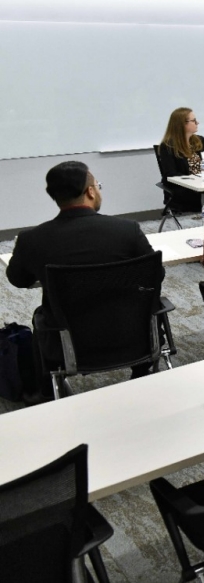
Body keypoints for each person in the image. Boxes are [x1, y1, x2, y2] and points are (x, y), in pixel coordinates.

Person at [6, 161, 160, 402]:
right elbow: (155, 275)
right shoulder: (127, 230)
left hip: (68, 346)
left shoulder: (31, 240)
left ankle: (46, 391)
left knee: (39, 316)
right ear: (90, 191)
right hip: (134, 337)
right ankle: (142, 370)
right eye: (97, 186)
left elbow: (18, 279)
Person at [157, 107, 204, 211]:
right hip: (184, 189)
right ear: (182, 124)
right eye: (194, 120)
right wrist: (195, 179)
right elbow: (170, 174)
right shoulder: (168, 146)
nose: (197, 123)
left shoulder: (200, 140)